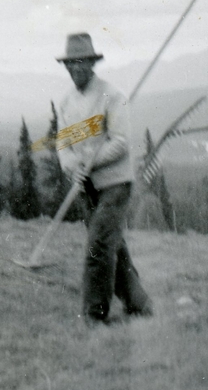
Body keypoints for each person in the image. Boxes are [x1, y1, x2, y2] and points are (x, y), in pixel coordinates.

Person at [56, 33, 152, 326]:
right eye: (71, 64)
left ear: (91, 63)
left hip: (115, 183)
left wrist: (91, 161)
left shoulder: (112, 95)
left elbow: (121, 142)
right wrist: (72, 165)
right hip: (86, 186)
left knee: (99, 243)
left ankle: (95, 314)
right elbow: (64, 145)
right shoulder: (67, 103)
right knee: (112, 244)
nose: (76, 69)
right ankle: (139, 303)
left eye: (81, 63)